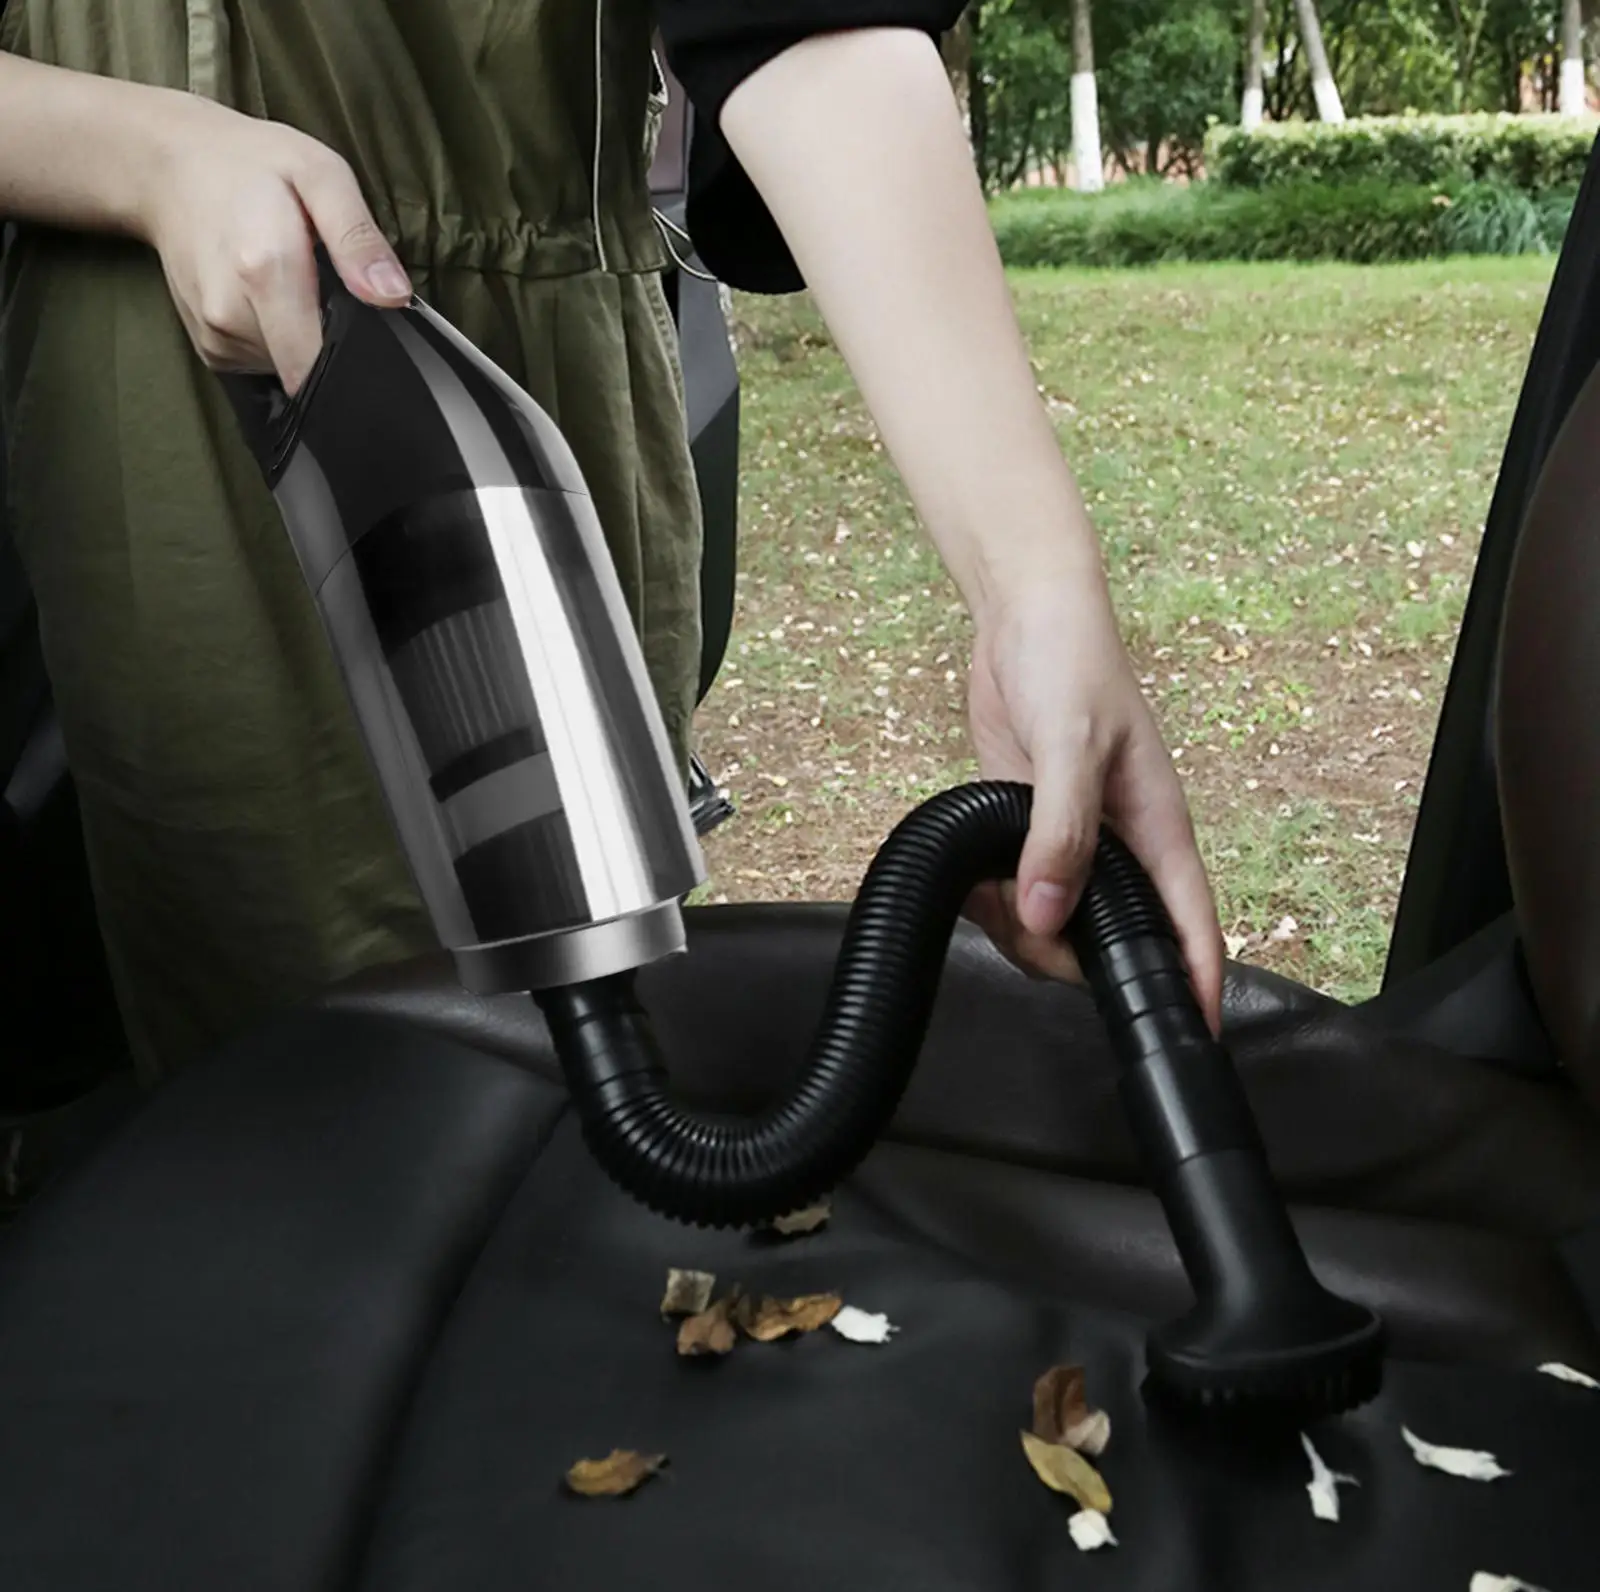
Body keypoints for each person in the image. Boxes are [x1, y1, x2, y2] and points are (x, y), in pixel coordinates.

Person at [0, 0, 1223, 1081]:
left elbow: (799, 26)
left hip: (527, 388)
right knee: (276, 1082)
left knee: (561, 1067)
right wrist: (151, 159)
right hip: (162, 409)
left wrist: (1032, 586)